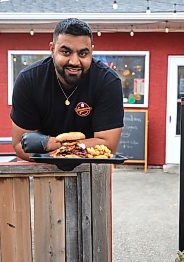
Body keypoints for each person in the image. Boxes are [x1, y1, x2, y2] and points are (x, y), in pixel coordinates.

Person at [11, 18, 124, 161]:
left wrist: (49, 143)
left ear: (91, 52)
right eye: (66, 52)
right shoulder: (29, 80)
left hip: (93, 172)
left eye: (83, 54)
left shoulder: (108, 82)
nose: (74, 62)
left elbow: (107, 147)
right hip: (41, 170)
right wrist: (82, 147)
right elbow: (21, 146)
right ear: (52, 50)